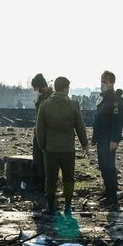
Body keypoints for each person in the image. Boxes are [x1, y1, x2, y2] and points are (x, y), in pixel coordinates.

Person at [35, 76, 89, 214]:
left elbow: (39, 129)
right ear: (65, 89)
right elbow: (80, 126)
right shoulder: (73, 105)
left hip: (51, 149)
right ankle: (68, 205)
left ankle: (50, 205)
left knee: (50, 178)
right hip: (68, 149)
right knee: (68, 178)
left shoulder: (45, 105)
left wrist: (42, 147)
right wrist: (84, 143)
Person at [92, 70, 123, 206]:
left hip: (108, 139)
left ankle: (112, 195)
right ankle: (107, 190)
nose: (102, 84)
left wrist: (115, 139)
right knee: (103, 165)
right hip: (101, 138)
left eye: (105, 81)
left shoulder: (114, 100)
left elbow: (117, 121)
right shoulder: (105, 98)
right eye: (101, 81)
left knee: (109, 166)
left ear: (111, 83)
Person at [31, 74, 53, 191]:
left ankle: (45, 185)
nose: (36, 91)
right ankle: (42, 183)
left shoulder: (49, 98)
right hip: (39, 132)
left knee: (45, 160)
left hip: (45, 134)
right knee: (39, 159)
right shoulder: (43, 97)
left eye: (36, 88)